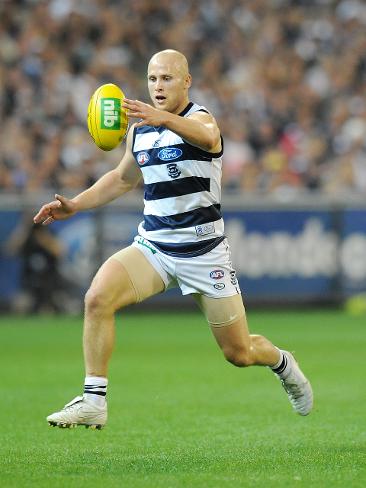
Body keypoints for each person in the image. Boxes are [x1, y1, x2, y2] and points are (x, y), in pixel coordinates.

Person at [34, 49, 313, 429]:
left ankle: (283, 363)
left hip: (204, 253)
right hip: (155, 247)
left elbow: (208, 136)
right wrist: (76, 205)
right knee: (97, 297)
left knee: (240, 352)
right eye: (152, 79)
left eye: (166, 78)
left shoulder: (200, 118)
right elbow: (122, 179)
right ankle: (94, 400)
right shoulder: (141, 130)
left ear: (187, 81)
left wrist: (161, 117)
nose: (158, 86)